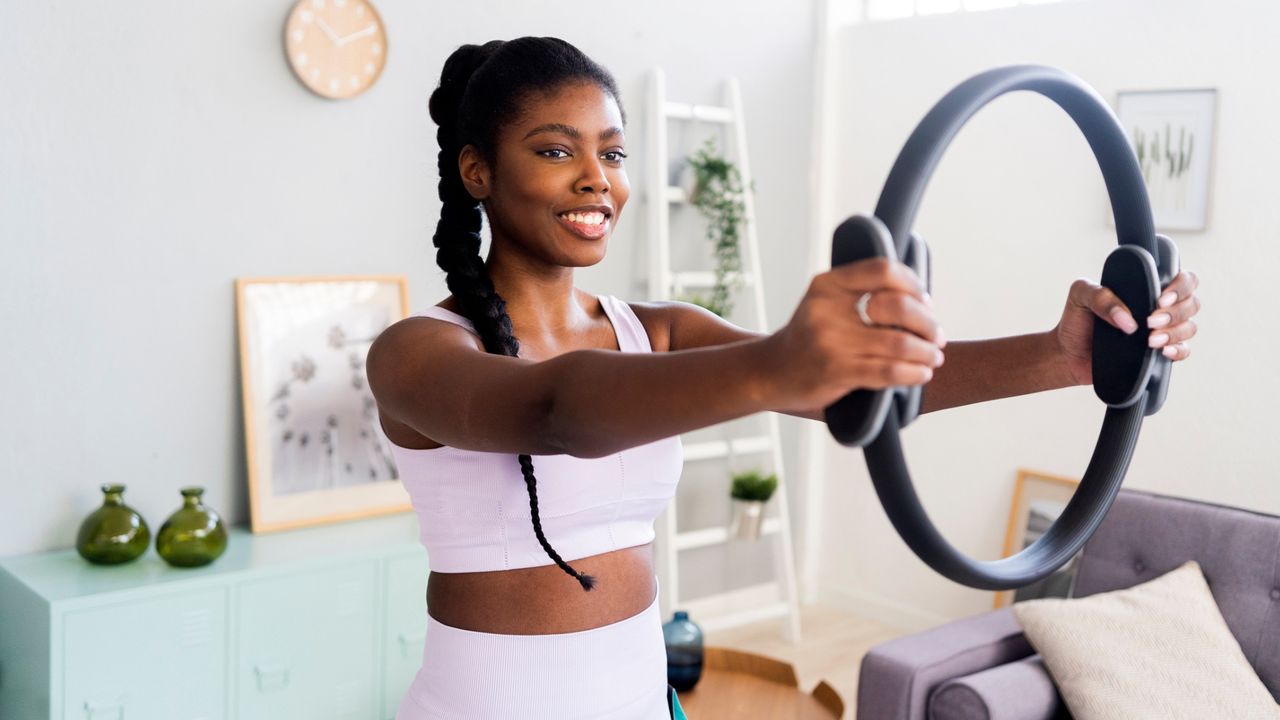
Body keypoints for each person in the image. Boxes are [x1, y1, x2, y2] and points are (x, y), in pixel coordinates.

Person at [366, 36, 1202, 720]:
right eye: (556, 150)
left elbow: (854, 387)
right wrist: (774, 363)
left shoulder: (653, 330)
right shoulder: (416, 354)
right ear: (479, 172)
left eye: (614, 153)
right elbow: (555, 411)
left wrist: (1063, 355)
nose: (598, 180)